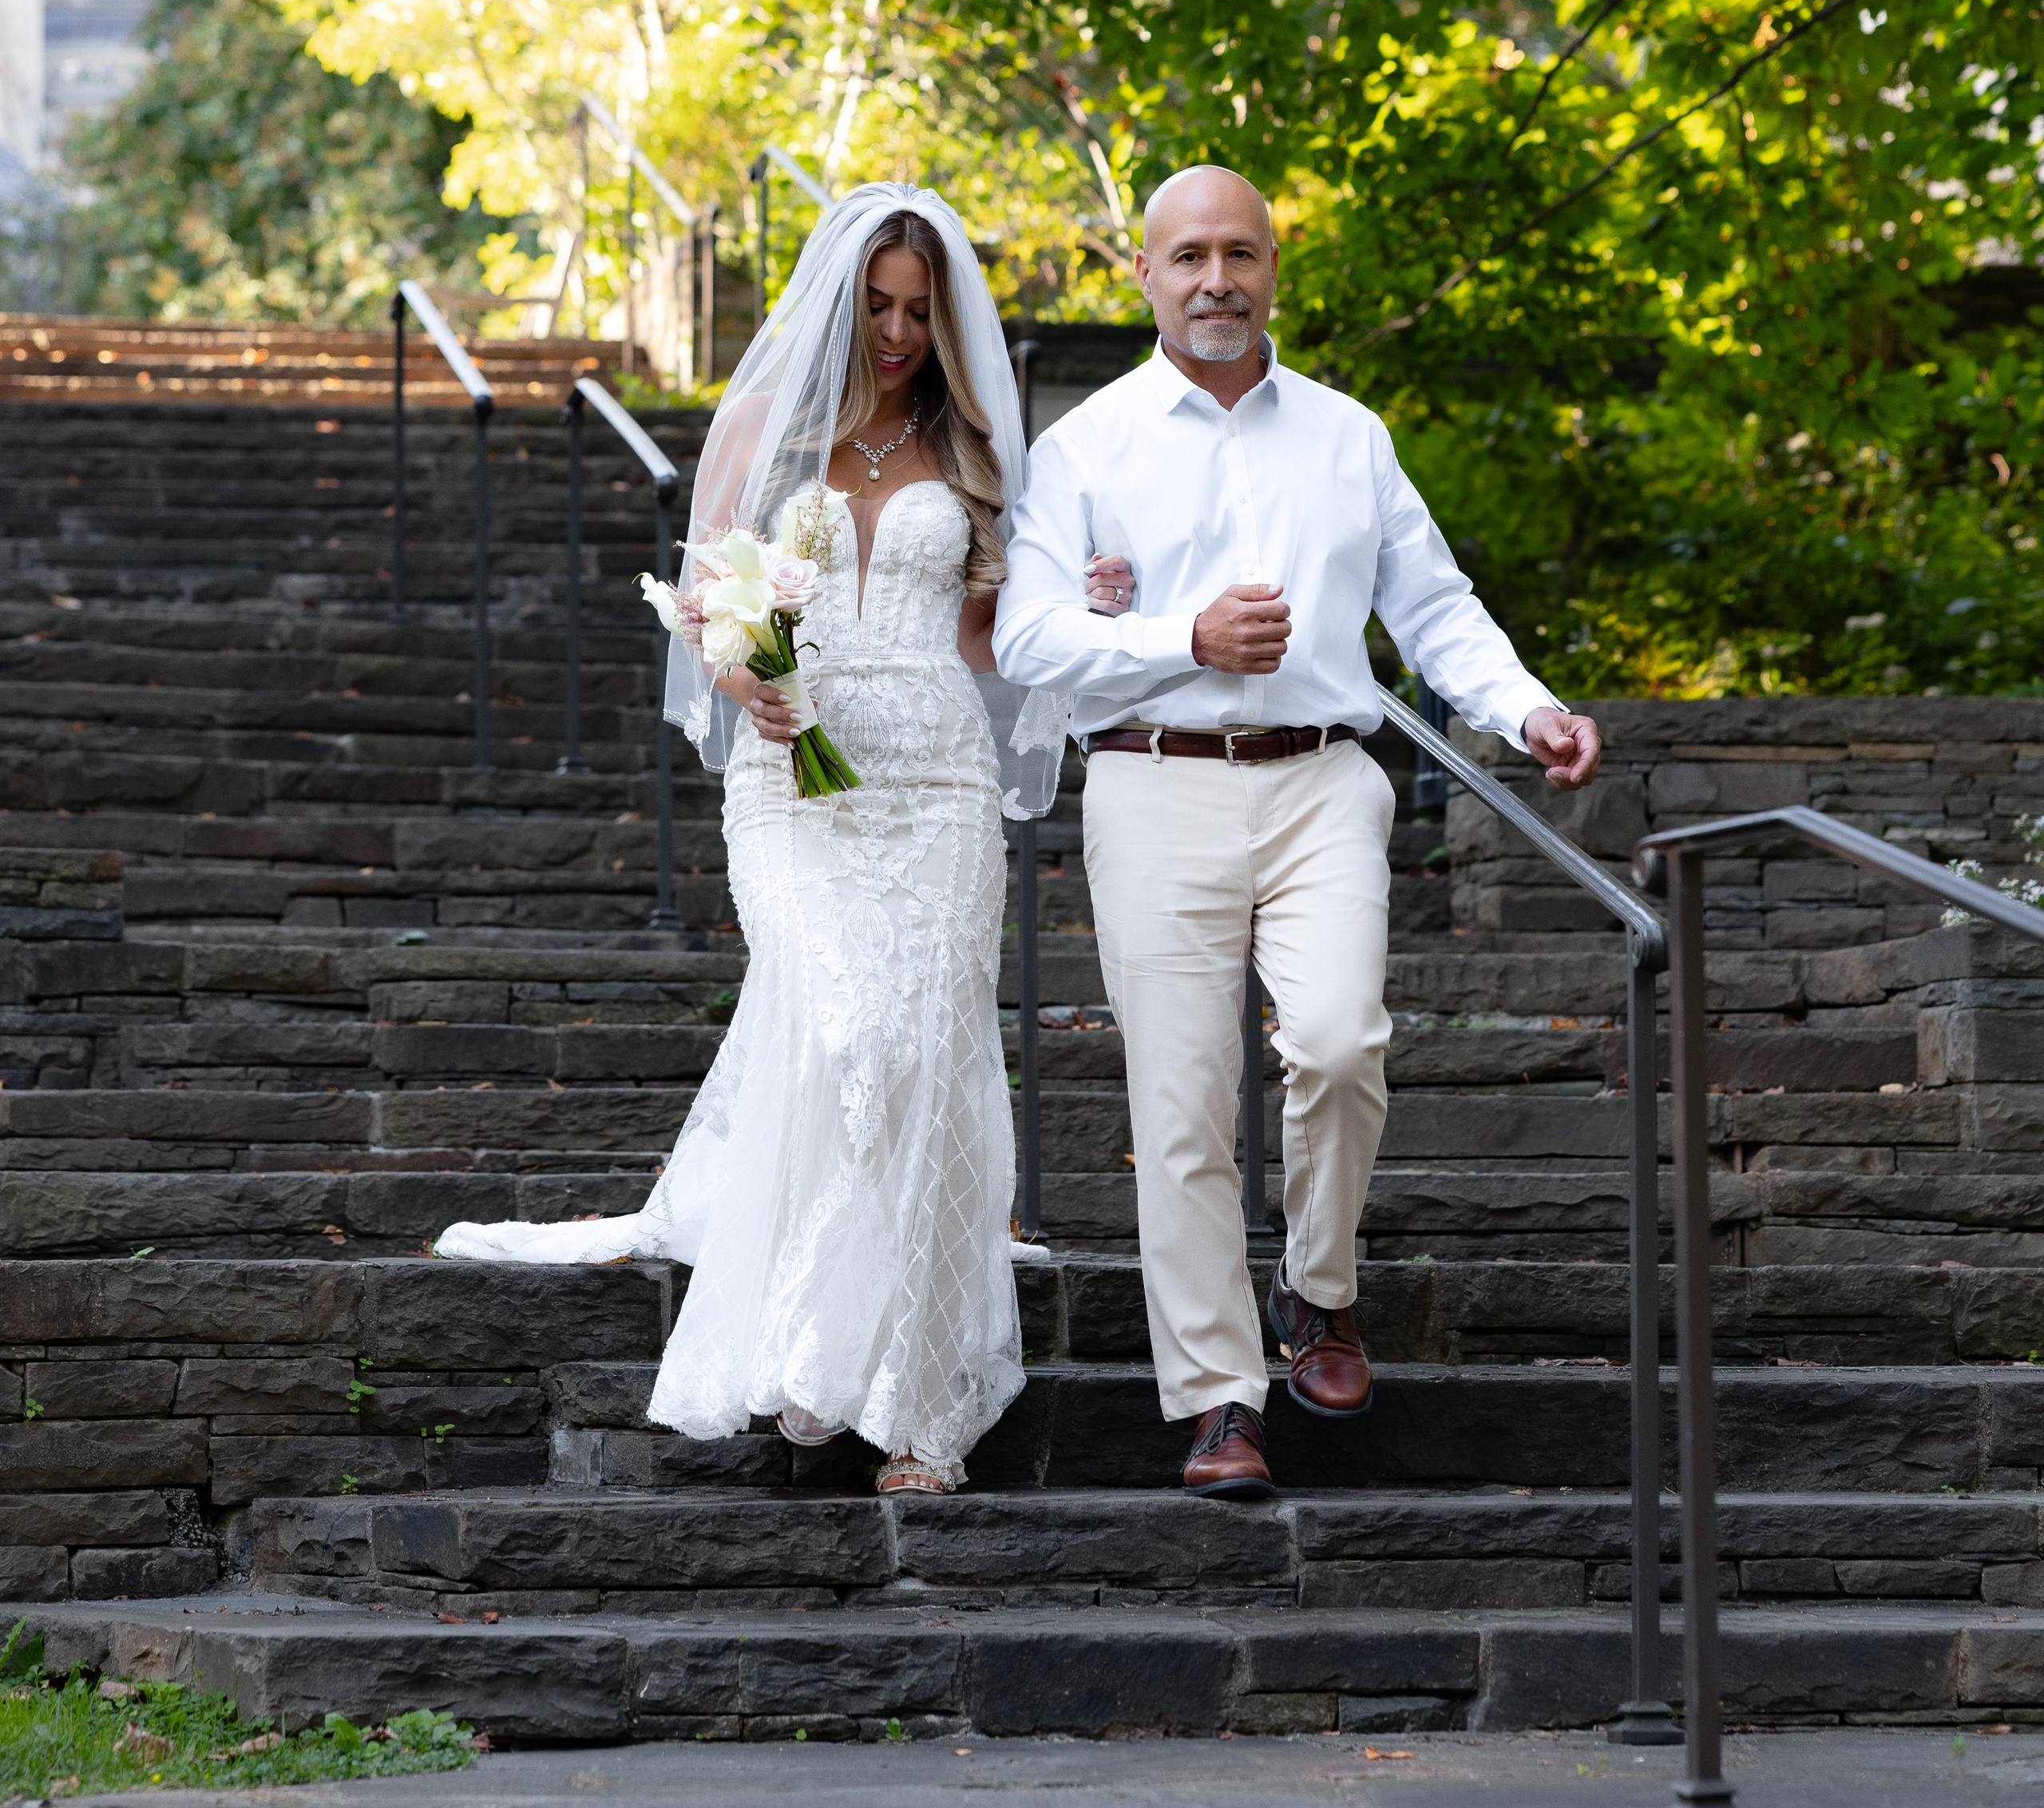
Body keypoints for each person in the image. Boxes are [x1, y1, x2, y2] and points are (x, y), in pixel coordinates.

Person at [434, 183, 1086, 1496]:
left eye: (920, 311)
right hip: (797, 786)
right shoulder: (760, 427)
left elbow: (988, 640)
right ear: (839, 301)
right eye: (879, 307)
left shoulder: (969, 451)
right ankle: (812, 1335)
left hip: (940, 780)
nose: (899, 332)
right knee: (848, 1028)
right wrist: (747, 682)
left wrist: (1081, 590)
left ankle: (915, 1404)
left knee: (927, 1052)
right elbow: (706, 603)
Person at [993, 165, 1602, 1501]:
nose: (1218, 279)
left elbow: (1432, 605)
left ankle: (1318, 1291)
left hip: (1326, 776)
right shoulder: (1084, 444)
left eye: (1242, 254)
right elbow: (1032, 633)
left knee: (1338, 1042)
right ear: (1144, 275)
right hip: (1153, 782)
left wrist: (1527, 709)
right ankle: (1218, 1396)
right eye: (1190, 256)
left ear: (1276, 268)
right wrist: (1177, 636)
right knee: (1184, 1097)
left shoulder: (1347, 434)